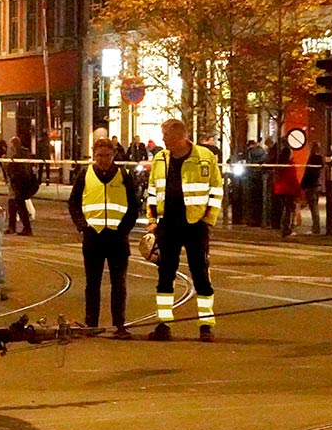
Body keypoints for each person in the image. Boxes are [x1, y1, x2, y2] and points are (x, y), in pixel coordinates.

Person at [146, 118, 223, 342]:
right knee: (165, 275)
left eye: (166, 136)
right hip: (167, 224)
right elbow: (153, 191)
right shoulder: (161, 158)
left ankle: (206, 325)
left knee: (200, 274)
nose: (163, 140)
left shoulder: (204, 157)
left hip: (194, 225)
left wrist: (208, 220)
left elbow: (215, 190)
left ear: (180, 136)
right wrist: (153, 220)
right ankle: (163, 324)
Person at [68, 136, 141, 339]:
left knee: (119, 284)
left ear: (114, 155)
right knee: (92, 283)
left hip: (117, 238)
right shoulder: (85, 175)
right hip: (93, 237)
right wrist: (83, 226)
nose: (103, 159)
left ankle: (120, 324)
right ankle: (91, 323)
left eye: (107, 156)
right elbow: (73, 202)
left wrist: (124, 229)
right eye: (99, 156)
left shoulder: (123, 176)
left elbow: (134, 206)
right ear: (94, 155)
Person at [5, 136, 36, 235]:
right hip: (25, 182)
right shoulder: (26, 154)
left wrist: (5, 163)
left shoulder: (17, 156)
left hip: (19, 183)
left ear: (13, 145)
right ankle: (12, 226)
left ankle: (26, 228)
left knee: (20, 205)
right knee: (12, 204)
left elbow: (12, 170)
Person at [271, 137, 301, 238]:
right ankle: (286, 229)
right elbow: (293, 179)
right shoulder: (289, 166)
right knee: (288, 210)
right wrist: (298, 191)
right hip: (288, 189)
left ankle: (284, 227)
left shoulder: (280, 166)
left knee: (284, 208)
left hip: (280, 189)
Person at [300, 141, 324, 235]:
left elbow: (307, 174)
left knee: (313, 207)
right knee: (314, 207)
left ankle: (316, 228)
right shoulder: (319, 159)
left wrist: (302, 185)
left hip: (310, 185)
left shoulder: (311, 159)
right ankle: (315, 227)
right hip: (316, 185)